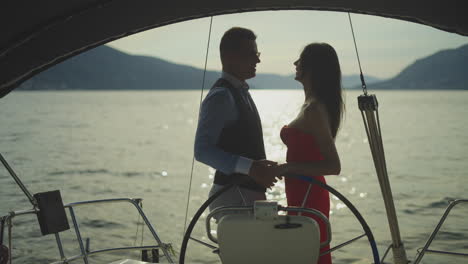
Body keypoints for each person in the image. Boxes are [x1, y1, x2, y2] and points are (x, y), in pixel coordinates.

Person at [194, 27, 279, 216]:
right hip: (232, 199)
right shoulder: (221, 96)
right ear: (231, 57)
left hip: (245, 199)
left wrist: (257, 165)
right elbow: (202, 151)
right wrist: (251, 168)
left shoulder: (240, 92)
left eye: (257, 54)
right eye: (251, 54)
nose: (258, 60)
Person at [278, 43, 344, 264]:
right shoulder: (310, 105)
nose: (295, 64)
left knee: (308, 254)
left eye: (301, 60)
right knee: (302, 253)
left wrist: (287, 168)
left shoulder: (314, 109)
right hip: (301, 191)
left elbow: (333, 166)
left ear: (314, 67)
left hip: (309, 194)